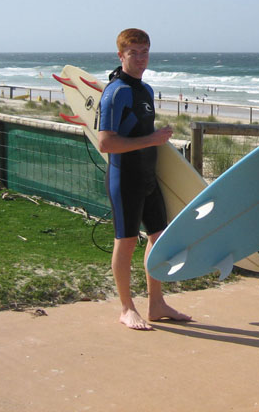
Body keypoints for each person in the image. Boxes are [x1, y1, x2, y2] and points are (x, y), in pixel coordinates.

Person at [98, 28, 191, 330]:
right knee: (126, 242)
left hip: (148, 177)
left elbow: (142, 135)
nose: (140, 58)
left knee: (159, 238)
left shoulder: (146, 90)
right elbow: (106, 144)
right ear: (121, 55)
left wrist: (154, 141)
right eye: (133, 53)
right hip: (124, 178)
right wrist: (152, 139)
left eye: (144, 52)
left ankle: (157, 304)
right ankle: (126, 308)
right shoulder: (116, 92)